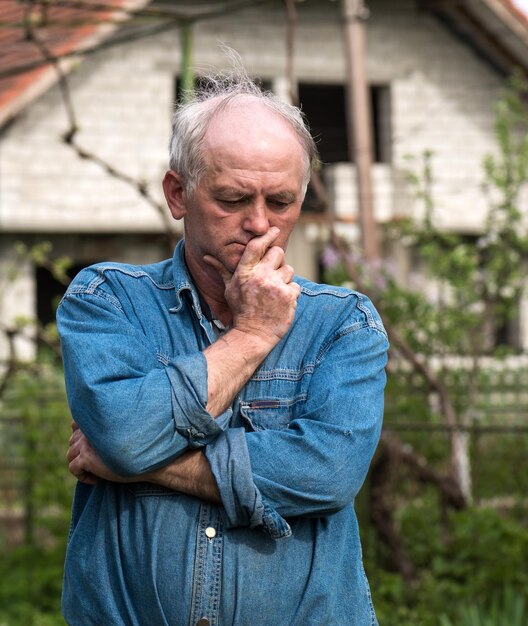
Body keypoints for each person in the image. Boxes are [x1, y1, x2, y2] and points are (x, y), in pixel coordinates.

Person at [58, 67, 389, 626]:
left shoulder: (344, 323)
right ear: (177, 193)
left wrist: (140, 465)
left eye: (281, 202)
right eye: (233, 198)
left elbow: (325, 474)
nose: (259, 224)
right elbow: (120, 433)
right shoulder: (107, 299)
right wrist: (253, 335)